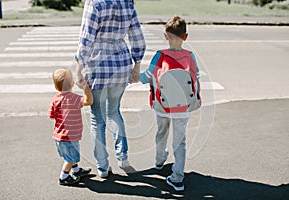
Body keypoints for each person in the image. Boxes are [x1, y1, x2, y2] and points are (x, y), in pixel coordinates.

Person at [75, 0, 146, 178]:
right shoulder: (127, 3)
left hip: (98, 64)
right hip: (121, 64)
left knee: (97, 119)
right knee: (114, 112)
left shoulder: (94, 2)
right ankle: (123, 158)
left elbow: (86, 38)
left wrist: (78, 69)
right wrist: (136, 65)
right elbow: (137, 36)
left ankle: (103, 166)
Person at [140, 16, 201, 191]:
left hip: (162, 105)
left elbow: (147, 76)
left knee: (161, 132)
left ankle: (159, 162)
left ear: (166, 36)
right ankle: (177, 177)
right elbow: (195, 78)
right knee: (180, 142)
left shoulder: (160, 56)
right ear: (185, 37)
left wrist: (135, 77)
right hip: (183, 107)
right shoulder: (190, 56)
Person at [48, 68, 94, 186]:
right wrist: (86, 88)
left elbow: (51, 115)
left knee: (71, 155)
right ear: (72, 83)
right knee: (70, 159)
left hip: (59, 136)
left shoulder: (56, 100)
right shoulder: (74, 99)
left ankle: (76, 170)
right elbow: (89, 101)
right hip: (69, 137)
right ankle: (64, 177)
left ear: (56, 87)